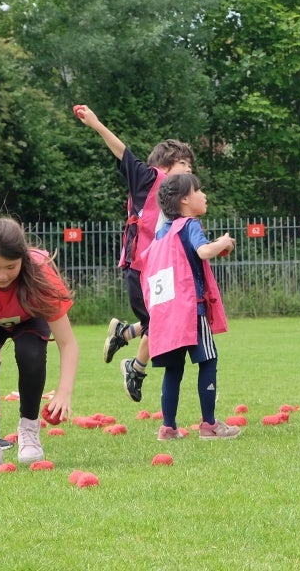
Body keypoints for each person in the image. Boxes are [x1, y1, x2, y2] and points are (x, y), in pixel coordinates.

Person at [73, 104, 195, 406]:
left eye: (190, 165)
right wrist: (96, 123)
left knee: (163, 317)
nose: (189, 169)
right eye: (183, 163)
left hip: (161, 270)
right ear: (165, 166)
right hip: (140, 265)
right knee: (159, 320)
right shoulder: (149, 178)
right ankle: (134, 366)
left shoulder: (179, 198)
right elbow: (122, 151)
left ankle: (125, 336)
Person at [0, 218, 80, 471]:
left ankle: (29, 429)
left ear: (23, 258)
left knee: (30, 353)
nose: (2, 275)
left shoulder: (41, 276)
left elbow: (68, 344)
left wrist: (64, 392)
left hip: (29, 318)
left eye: (11, 267)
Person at [144, 173, 239, 442]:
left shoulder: (162, 233)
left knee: (173, 369)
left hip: (167, 313)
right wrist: (223, 243)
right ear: (185, 199)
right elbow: (203, 252)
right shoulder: (190, 224)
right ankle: (209, 425)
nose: (203, 195)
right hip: (191, 311)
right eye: (198, 190)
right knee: (208, 360)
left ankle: (168, 428)